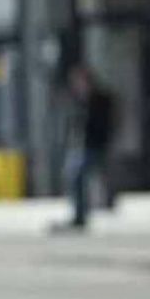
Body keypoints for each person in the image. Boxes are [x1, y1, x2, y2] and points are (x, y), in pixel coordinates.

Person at [52, 64, 116, 232]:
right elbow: (73, 123)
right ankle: (80, 212)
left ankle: (86, 210)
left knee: (78, 174)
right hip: (80, 146)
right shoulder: (78, 100)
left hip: (95, 145)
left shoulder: (99, 99)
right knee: (73, 175)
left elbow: (104, 123)